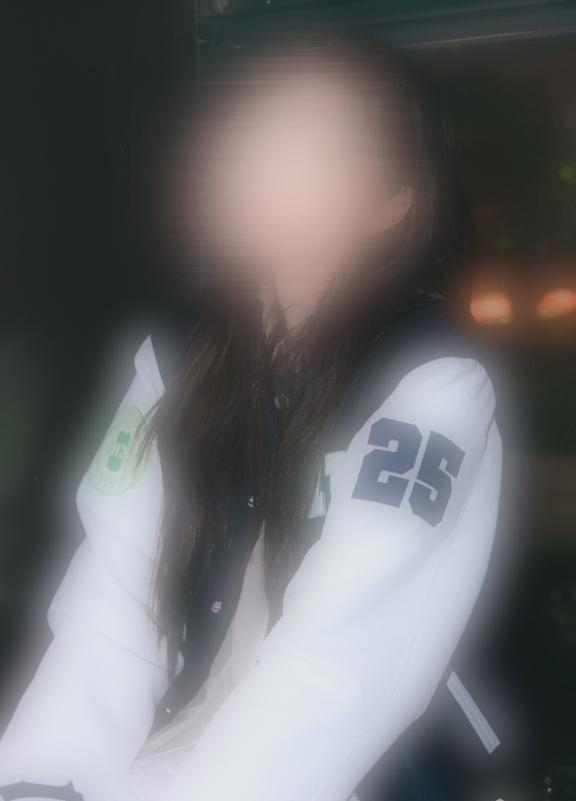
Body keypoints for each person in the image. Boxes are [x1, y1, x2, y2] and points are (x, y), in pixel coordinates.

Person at [0, 31, 505, 801]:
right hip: (184, 733)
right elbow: (113, 596)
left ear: (389, 205)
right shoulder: (174, 357)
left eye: (312, 145)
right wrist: (43, 776)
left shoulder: (433, 382)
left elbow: (347, 660)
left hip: (372, 767)